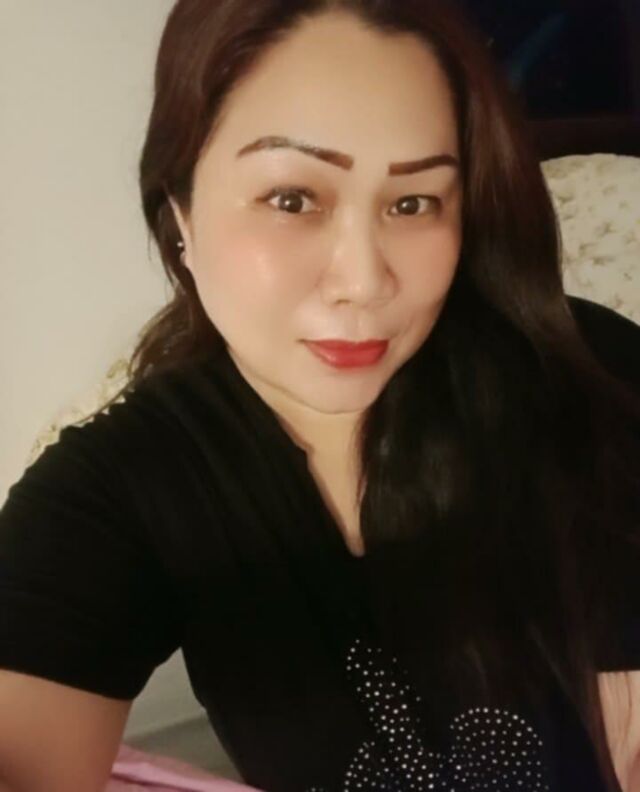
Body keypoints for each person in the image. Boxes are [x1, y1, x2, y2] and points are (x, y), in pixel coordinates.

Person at [0, 1, 639, 791]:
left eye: (413, 202)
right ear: (180, 215)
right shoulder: (112, 492)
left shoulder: (584, 379)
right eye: (292, 199)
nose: (365, 281)